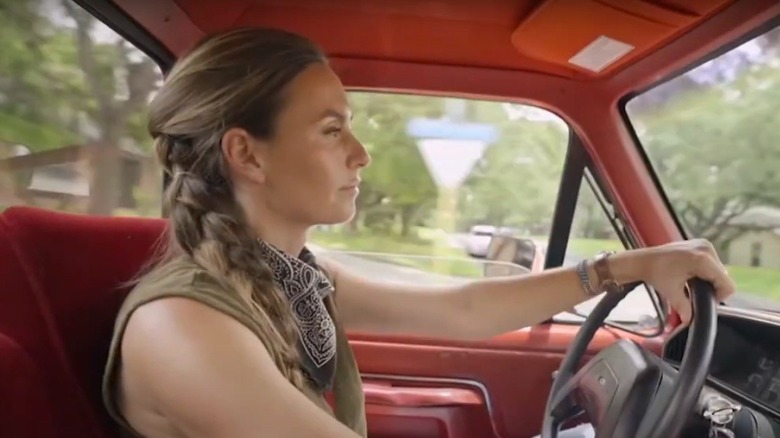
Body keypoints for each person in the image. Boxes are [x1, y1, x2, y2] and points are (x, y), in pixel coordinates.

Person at [101, 27, 735, 438]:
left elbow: (461, 310)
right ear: (248, 154)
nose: (360, 154)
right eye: (331, 130)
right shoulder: (183, 325)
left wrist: (627, 266)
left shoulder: (288, 276)